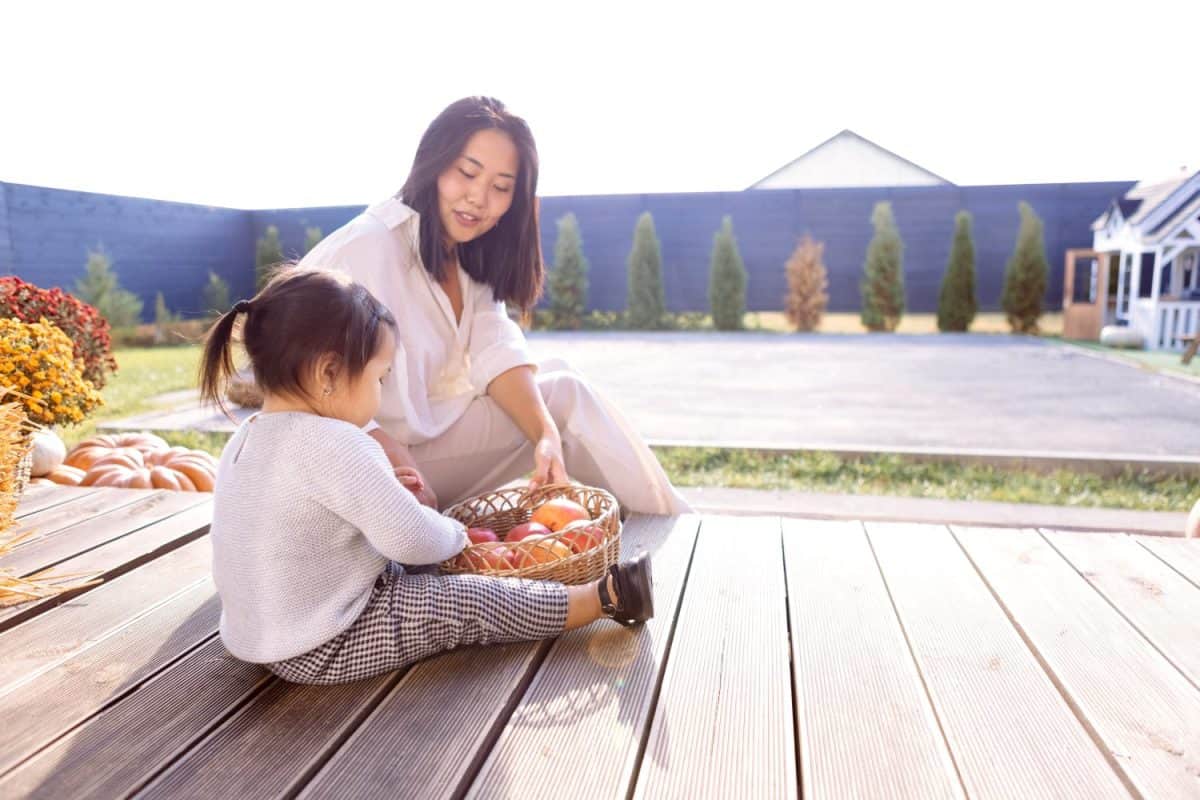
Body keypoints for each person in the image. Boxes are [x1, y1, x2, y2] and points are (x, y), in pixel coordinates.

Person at [200, 268, 653, 685]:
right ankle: (599, 600)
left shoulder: (246, 438)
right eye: (380, 378)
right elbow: (411, 540)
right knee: (460, 602)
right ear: (328, 374)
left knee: (418, 571)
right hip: (323, 646)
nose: (380, 394)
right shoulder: (338, 442)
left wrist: (391, 494)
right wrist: (457, 536)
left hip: (259, 635)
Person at [298, 96, 691, 515]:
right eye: (467, 173)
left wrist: (546, 436)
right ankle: (678, 527)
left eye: (501, 187)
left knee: (558, 379)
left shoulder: (466, 261)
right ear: (433, 163)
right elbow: (292, 380)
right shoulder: (366, 246)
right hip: (361, 471)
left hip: (420, 453)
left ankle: (666, 521)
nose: (478, 199)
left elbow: (497, 354)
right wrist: (388, 449)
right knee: (565, 394)